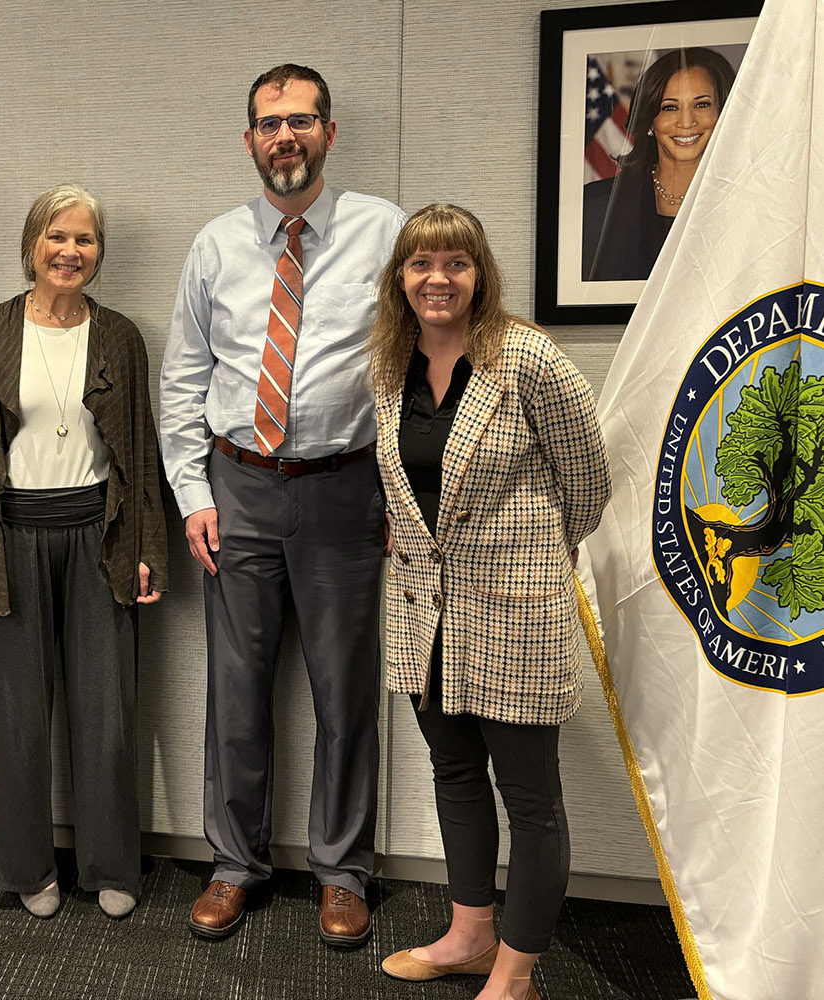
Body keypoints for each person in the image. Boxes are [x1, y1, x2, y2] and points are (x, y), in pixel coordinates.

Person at [158, 63, 403, 947]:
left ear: (329, 133)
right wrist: (192, 494)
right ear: (250, 139)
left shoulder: (386, 232)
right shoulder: (215, 244)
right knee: (237, 690)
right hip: (239, 489)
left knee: (345, 691)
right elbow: (185, 378)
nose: (285, 137)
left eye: (301, 120)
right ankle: (236, 864)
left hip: (346, 491)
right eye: (269, 123)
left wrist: (402, 494)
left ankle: (342, 871)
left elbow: (421, 359)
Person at [369, 204, 611, 1000]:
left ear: (480, 274)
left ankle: (514, 974)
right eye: (420, 263)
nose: (437, 278)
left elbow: (588, 483)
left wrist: (530, 557)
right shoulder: (388, 363)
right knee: (453, 772)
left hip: (516, 613)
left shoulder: (528, 360)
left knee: (532, 798)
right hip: (422, 612)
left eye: (455, 263)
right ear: (400, 278)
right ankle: (469, 934)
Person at [0, 183, 167, 921]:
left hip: (98, 538)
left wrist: (147, 549)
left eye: (86, 240)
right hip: (9, 541)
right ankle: (28, 866)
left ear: (99, 253)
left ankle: (110, 862)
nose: (71, 251)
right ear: (33, 245)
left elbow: (139, 449)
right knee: (18, 716)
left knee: (106, 714)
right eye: (57, 237)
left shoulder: (120, 337)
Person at [582, 46, 737, 281]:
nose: (686, 122)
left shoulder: (753, 202)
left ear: (725, 113)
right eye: (670, 107)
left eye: (702, 104)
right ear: (650, 122)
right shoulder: (595, 207)